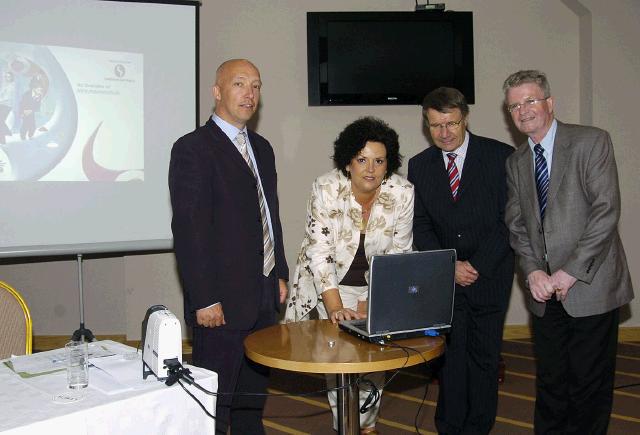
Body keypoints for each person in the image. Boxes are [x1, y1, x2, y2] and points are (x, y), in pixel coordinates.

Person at [503, 70, 634, 434]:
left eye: (530, 100)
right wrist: (533, 272)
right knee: (551, 383)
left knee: (588, 387)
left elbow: (606, 211)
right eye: (514, 105)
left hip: (591, 286)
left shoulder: (591, 142)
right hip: (544, 294)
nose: (523, 110)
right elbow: (517, 225)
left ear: (549, 103)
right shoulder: (515, 163)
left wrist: (569, 271)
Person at [169, 58, 289, 435]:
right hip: (219, 305)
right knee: (213, 408)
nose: (249, 94)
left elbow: (270, 216)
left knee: (252, 403)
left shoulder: (263, 148)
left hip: (264, 297)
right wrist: (204, 298)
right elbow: (189, 229)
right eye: (239, 84)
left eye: (256, 85)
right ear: (217, 92)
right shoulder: (193, 149)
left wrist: (280, 273)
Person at [284, 116, 414, 434]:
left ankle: (366, 427)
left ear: (389, 164)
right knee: (338, 360)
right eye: (361, 160)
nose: (370, 169)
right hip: (328, 284)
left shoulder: (403, 193)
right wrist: (335, 307)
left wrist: (372, 304)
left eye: (379, 161)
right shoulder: (326, 187)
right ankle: (346, 426)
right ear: (348, 161)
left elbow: (399, 254)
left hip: (377, 286)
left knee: (373, 359)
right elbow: (320, 253)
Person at [407, 87, 514, 434]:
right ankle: (449, 427)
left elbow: (509, 220)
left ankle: (478, 427)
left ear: (465, 118)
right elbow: (420, 224)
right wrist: (448, 264)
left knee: (484, 360)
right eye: (436, 125)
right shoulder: (419, 166)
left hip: (490, 276)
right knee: (448, 361)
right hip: (445, 281)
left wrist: (477, 265)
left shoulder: (501, 156)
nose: (445, 133)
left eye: (451, 123)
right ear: (427, 124)